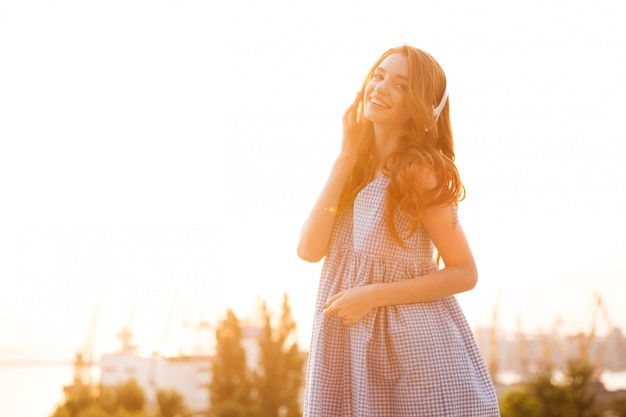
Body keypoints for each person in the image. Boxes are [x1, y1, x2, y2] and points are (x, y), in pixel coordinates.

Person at [297, 45, 500, 416]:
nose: (381, 87)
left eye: (401, 85)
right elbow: (309, 250)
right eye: (378, 75)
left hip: (410, 353)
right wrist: (344, 158)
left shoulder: (421, 172)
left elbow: (464, 272)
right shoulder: (352, 172)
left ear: (421, 105)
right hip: (351, 346)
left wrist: (371, 295)